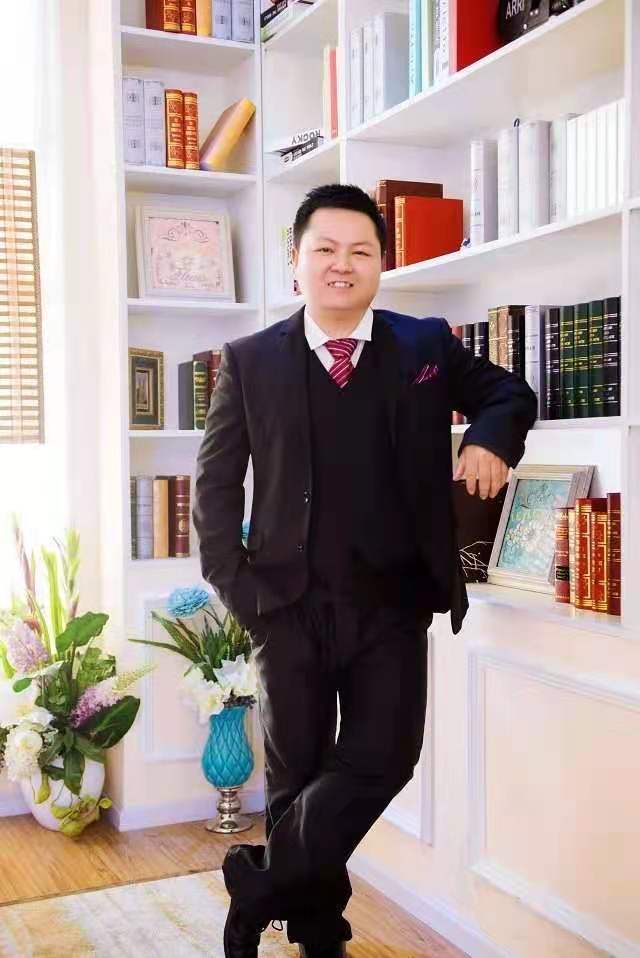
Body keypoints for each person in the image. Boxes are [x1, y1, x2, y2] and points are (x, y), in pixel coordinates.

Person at [193, 183, 537, 957]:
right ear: (296, 262)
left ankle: (258, 886)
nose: (342, 265)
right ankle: (320, 936)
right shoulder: (250, 362)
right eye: (325, 249)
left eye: (360, 251)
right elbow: (214, 489)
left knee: (385, 758)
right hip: (286, 606)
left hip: (393, 604)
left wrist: (489, 437)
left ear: (383, 262)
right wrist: (244, 596)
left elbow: (509, 392)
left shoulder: (424, 346)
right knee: (299, 778)